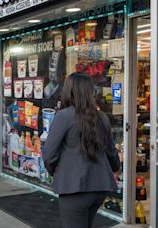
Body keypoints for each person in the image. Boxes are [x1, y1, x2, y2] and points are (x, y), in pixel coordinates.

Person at [43, 73, 120, 228]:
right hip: (99, 187)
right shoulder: (102, 117)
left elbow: (49, 155)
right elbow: (111, 153)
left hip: (73, 189)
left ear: (68, 91)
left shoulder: (63, 117)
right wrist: (116, 168)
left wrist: (56, 172)